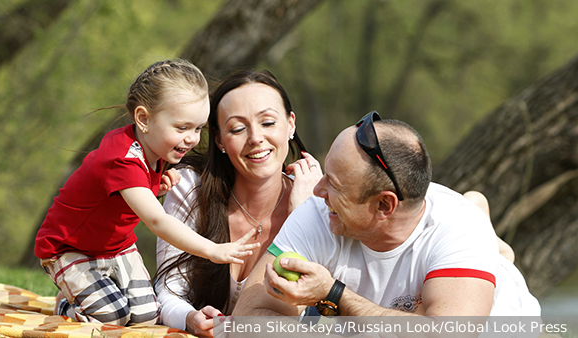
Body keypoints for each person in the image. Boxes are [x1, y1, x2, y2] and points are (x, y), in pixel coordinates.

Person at [234, 111, 540, 318]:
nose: (317, 191)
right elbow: (248, 318)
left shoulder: (460, 229)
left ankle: (495, 249)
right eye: (324, 175)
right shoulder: (319, 213)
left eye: (335, 185)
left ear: (384, 205)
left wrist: (333, 294)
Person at [34, 59, 260, 326]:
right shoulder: (122, 159)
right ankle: (66, 303)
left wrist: (156, 183)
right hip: (70, 248)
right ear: (144, 119)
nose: (192, 138)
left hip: (117, 248)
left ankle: (90, 295)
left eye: (198, 128)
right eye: (182, 127)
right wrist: (211, 250)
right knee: (111, 317)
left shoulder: (157, 149)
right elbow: (157, 221)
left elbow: (127, 194)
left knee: (146, 317)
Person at [155, 70, 323, 336]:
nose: (255, 137)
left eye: (268, 123)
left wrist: (301, 216)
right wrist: (188, 318)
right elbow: (167, 290)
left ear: (290, 125)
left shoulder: (317, 202)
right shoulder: (189, 187)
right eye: (237, 128)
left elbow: (303, 315)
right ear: (220, 139)